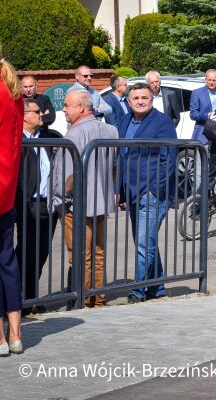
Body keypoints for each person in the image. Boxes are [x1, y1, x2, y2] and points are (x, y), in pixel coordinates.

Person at [51, 90, 118, 308]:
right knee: (97, 254)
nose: (63, 109)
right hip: (100, 201)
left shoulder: (74, 135)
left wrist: (59, 199)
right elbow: (114, 166)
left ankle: (84, 302)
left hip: (77, 204)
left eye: (67, 105)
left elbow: (68, 177)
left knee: (81, 256)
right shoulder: (111, 130)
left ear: (81, 107)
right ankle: (98, 300)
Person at [117, 83, 177, 303]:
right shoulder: (124, 121)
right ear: (129, 101)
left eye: (144, 97)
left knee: (144, 243)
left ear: (152, 100)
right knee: (145, 241)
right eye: (136, 98)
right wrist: (120, 190)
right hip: (132, 191)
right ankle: (157, 287)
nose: (140, 101)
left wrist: (156, 187)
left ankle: (138, 290)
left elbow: (168, 159)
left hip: (152, 193)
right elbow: (121, 158)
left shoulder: (162, 123)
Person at [15, 98, 61, 315]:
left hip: (48, 204)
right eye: (37, 112)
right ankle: (19, 299)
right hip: (27, 203)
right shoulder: (16, 140)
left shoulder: (49, 138)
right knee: (25, 252)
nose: (42, 115)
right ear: (24, 115)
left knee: (41, 252)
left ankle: (32, 297)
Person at [0, 53, 24, 355]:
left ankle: (1, 339)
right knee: (7, 262)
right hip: (6, 192)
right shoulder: (14, 95)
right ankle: (16, 334)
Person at [189, 69, 216, 192]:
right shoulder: (197, 93)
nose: (211, 82)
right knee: (199, 168)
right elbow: (193, 114)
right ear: (205, 79)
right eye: (209, 80)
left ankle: (213, 196)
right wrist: (207, 115)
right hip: (202, 135)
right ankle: (198, 197)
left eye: (213, 80)